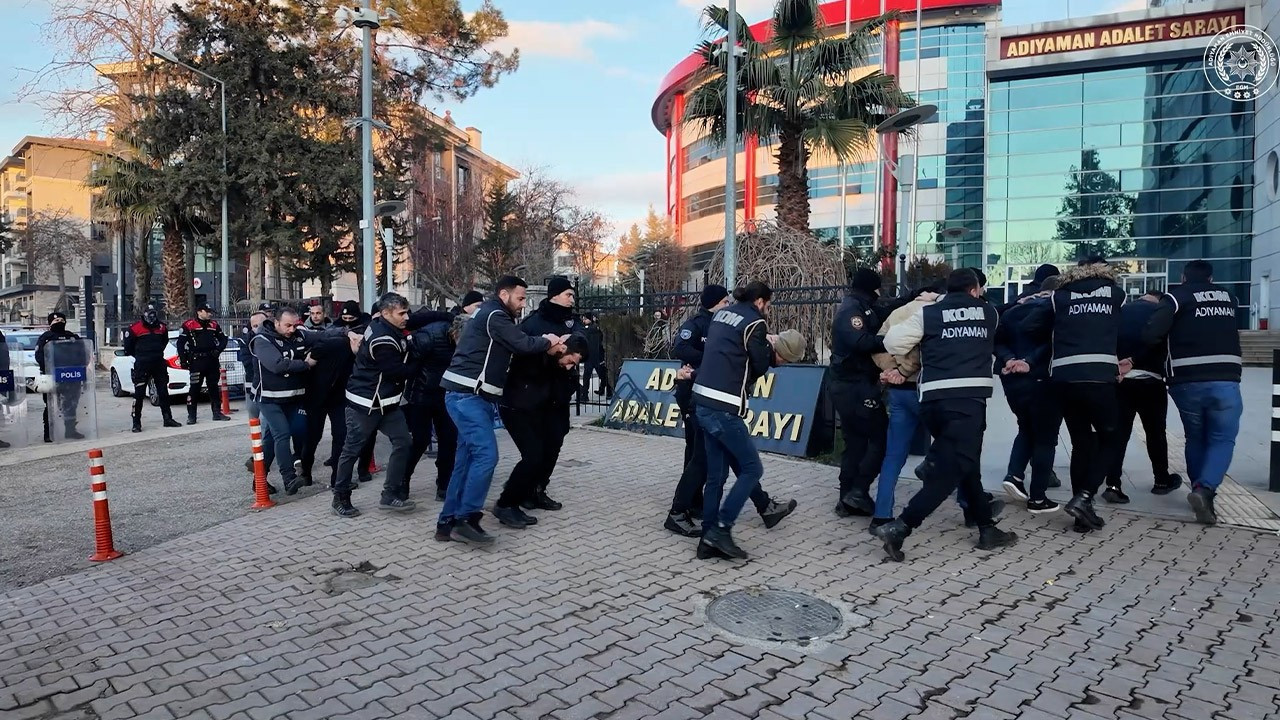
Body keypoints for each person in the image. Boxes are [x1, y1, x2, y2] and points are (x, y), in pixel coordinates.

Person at [874, 269, 1017, 561]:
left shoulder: (929, 313)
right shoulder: (988, 312)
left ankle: (987, 529)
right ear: (975, 290)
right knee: (952, 471)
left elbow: (892, 343)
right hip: (967, 402)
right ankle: (901, 527)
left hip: (932, 401)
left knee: (967, 463)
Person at [438, 276, 566, 544]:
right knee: (486, 456)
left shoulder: (492, 315)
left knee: (466, 460)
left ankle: (448, 521)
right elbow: (522, 343)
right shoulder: (496, 315)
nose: (522, 304)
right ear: (504, 294)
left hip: (473, 397)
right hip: (468, 396)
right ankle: (467, 519)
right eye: (520, 298)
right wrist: (548, 340)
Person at [666, 284, 796, 538]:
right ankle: (681, 512)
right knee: (707, 461)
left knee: (728, 460)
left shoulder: (723, 319)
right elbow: (754, 363)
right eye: (768, 304)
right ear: (759, 301)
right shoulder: (715, 323)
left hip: (706, 393)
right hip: (711, 396)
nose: (726, 305)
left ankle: (760, 507)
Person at [1140, 260, 1243, 525]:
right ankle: (1205, 489)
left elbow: (1152, 333)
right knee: (1222, 438)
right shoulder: (1229, 298)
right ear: (1211, 279)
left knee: (1195, 437)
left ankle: (1199, 488)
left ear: (1183, 278)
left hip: (1186, 380)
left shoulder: (1176, 297)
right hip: (1226, 377)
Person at [331, 294, 453, 517]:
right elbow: (397, 371)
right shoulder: (383, 340)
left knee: (404, 443)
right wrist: (419, 357)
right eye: (402, 313)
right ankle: (341, 496)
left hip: (387, 402)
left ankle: (391, 494)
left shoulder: (384, 323)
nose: (407, 317)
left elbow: (419, 320)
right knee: (352, 450)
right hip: (365, 403)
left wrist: (450, 315)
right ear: (386, 313)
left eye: (407, 312)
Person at [1031, 256, 1126, 532]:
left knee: (1082, 443)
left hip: (1063, 377)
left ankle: (1080, 518)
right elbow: (1127, 329)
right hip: (1099, 376)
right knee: (1112, 438)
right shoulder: (1116, 295)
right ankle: (1084, 498)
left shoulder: (1059, 296)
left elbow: (1032, 326)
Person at [492, 276, 585, 526]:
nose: (572, 299)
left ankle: (537, 489)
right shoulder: (532, 323)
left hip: (558, 396)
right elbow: (522, 354)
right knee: (534, 452)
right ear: (554, 295)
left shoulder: (573, 321)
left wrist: (574, 350)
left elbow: (584, 345)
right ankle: (514, 498)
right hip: (529, 398)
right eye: (568, 294)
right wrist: (548, 352)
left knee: (553, 443)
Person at [868, 283, 942, 528]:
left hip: (898, 393)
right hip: (923, 390)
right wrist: (902, 370)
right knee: (953, 448)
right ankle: (970, 507)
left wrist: (889, 370)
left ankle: (881, 515)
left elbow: (878, 345)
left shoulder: (897, 312)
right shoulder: (933, 313)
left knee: (893, 456)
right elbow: (923, 352)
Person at [995, 276, 1065, 513]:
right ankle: (1038, 498)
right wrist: (1027, 361)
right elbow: (1052, 344)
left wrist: (1009, 360)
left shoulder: (1014, 309)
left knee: (1026, 427)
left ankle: (1014, 475)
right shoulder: (1054, 310)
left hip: (1011, 378)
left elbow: (998, 341)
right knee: (1046, 437)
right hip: (1041, 378)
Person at [1105, 290, 1180, 502]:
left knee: (1118, 434)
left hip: (1121, 381)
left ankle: (1113, 483)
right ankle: (1161, 481)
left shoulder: (1120, 311)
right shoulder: (1162, 312)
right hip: (1151, 381)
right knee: (1156, 433)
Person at [828, 268, 890, 517]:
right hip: (854, 385)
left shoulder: (861, 305)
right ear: (871, 288)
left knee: (855, 442)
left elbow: (883, 312)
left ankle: (848, 499)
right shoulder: (851, 310)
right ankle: (857, 492)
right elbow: (860, 341)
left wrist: (913, 296)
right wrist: (890, 340)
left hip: (853, 383)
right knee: (879, 438)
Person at [249, 308, 316, 495]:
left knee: (273, 439)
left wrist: (348, 332)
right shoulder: (261, 341)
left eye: (295, 325)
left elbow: (323, 336)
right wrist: (305, 364)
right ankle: (289, 478)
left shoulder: (298, 335)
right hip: (269, 398)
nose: (292, 329)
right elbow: (277, 365)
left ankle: (259, 478)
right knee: (282, 434)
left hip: (292, 397)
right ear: (276, 322)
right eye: (288, 325)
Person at [404, 313, 464, 502]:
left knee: (449, 440)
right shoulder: (429, 336)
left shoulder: (463, 341)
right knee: (419, 441)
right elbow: (410, 365)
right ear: (455, 333)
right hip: (421, 394)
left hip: (446, 394)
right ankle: (402, 481)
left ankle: (444, 484)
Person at [123, 303, 182, 432]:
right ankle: (136, 422)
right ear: (143, 315)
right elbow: (128, 348)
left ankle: (167, 418)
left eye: (153, 313)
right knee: (139, 394)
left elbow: (164, 342)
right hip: (142, 364)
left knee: (163, 392)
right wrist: (141, 355)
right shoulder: (134, 329)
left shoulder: (161, 327)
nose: (151, 316)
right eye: (149, 314)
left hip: (158, 363)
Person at [35, 311, 87, 441]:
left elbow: (83, 354)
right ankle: (49, 433)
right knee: (50, 405)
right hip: (51, 376)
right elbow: (39, 356)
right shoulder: (45, 338)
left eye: (62, 321)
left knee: (71, 404)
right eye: (56, 321)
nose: (59, 323)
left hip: (71, 376)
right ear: (50, 323)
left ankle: (70, 430)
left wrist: (79, 368)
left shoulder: (72, 337)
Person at [176, 303, 230, 425]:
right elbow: (180, 344)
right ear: (199, 312)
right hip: (196, 361)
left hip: (211, 360)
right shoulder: (189, 325)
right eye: (207, 311)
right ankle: (192, 415)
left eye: (210, 311)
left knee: (213, 387)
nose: (209, 314)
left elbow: (223, 339)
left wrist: (218, 350)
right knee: (194, 388)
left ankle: (217, 412)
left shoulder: (214, 325)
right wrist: (183, 360)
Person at [579, 313, 613, 401]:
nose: (583, 320)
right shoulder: (598, 328)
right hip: (597, 355)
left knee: (589, 376)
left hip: (592, 355)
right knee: (602, 375)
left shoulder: (588, 329)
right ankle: (608, 391)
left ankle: (585, 395)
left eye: (585, 319)